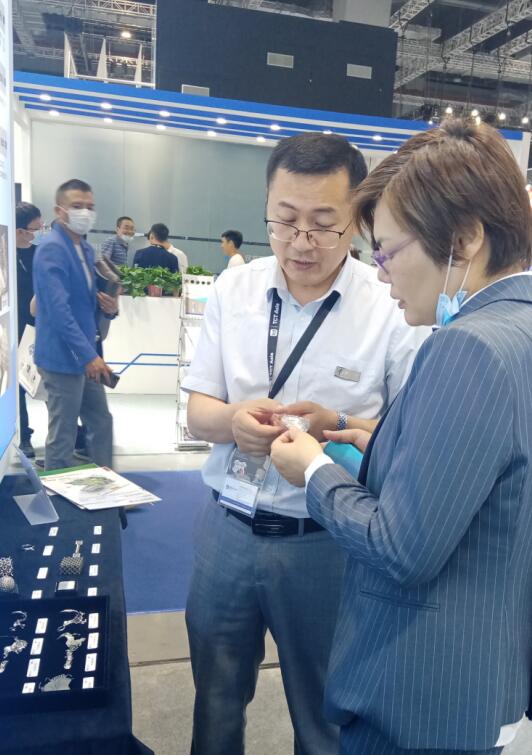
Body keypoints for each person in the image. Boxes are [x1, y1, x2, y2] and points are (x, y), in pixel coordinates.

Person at [270, 120, 532, 755]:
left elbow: (402, 550)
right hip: (483, 673)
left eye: (387, 251)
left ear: (463, 239)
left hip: (420, 692)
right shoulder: (519, 329)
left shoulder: (468, 347)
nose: (381, 273)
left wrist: (313, 469)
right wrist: (375, 441)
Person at [182, 132, 430, 755]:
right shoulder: (234, 291)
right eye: (285, 220)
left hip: (327, 543)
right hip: (227, 530)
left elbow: (408, 438)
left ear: (358, 218)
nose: (301, 242)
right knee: (214, 704)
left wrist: (334, 429)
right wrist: (235, 422)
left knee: (324, 716)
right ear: (267, 206)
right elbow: (197, 413)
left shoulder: (390, 305)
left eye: (324, 223)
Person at [33, 178, 117, 471]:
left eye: (90, 207)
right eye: (77, 206)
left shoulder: (87, 250)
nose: (85, 212)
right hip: (62, 357)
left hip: (87, 355)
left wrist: (108, 308)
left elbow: (84, 303)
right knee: (64, 432)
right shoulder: (51, 249)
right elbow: (58, 311)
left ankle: (107, 482)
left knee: (101, 421)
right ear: (60, 211)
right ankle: (57, 493)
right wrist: (88, 356)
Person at [15, 201, 43, 457]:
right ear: (20, 231)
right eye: (36, 228)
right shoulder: (5, 256)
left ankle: (71, 433)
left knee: (49, 383)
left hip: (40, 327)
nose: (40, 232)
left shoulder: (40, 254)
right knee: (18, 386)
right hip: (13, 328)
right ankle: (24, 436)